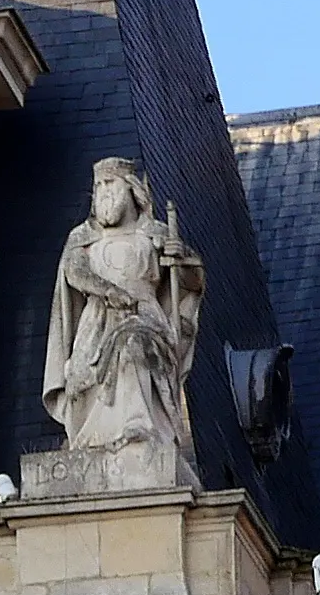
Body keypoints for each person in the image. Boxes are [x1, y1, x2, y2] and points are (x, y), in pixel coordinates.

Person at [38, 156, 206, 489]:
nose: (103, 193)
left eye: (110, 184)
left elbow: (190, 282)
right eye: (98, 186)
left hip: (145, 316)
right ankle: (93, 437)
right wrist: (108, 291)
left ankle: (139, 427)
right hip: (98, 320)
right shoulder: (83, 237)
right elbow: (75, 273)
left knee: (135, 343)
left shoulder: (155, 233)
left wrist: (180, 257)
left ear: (131, 190)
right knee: (87, 367)